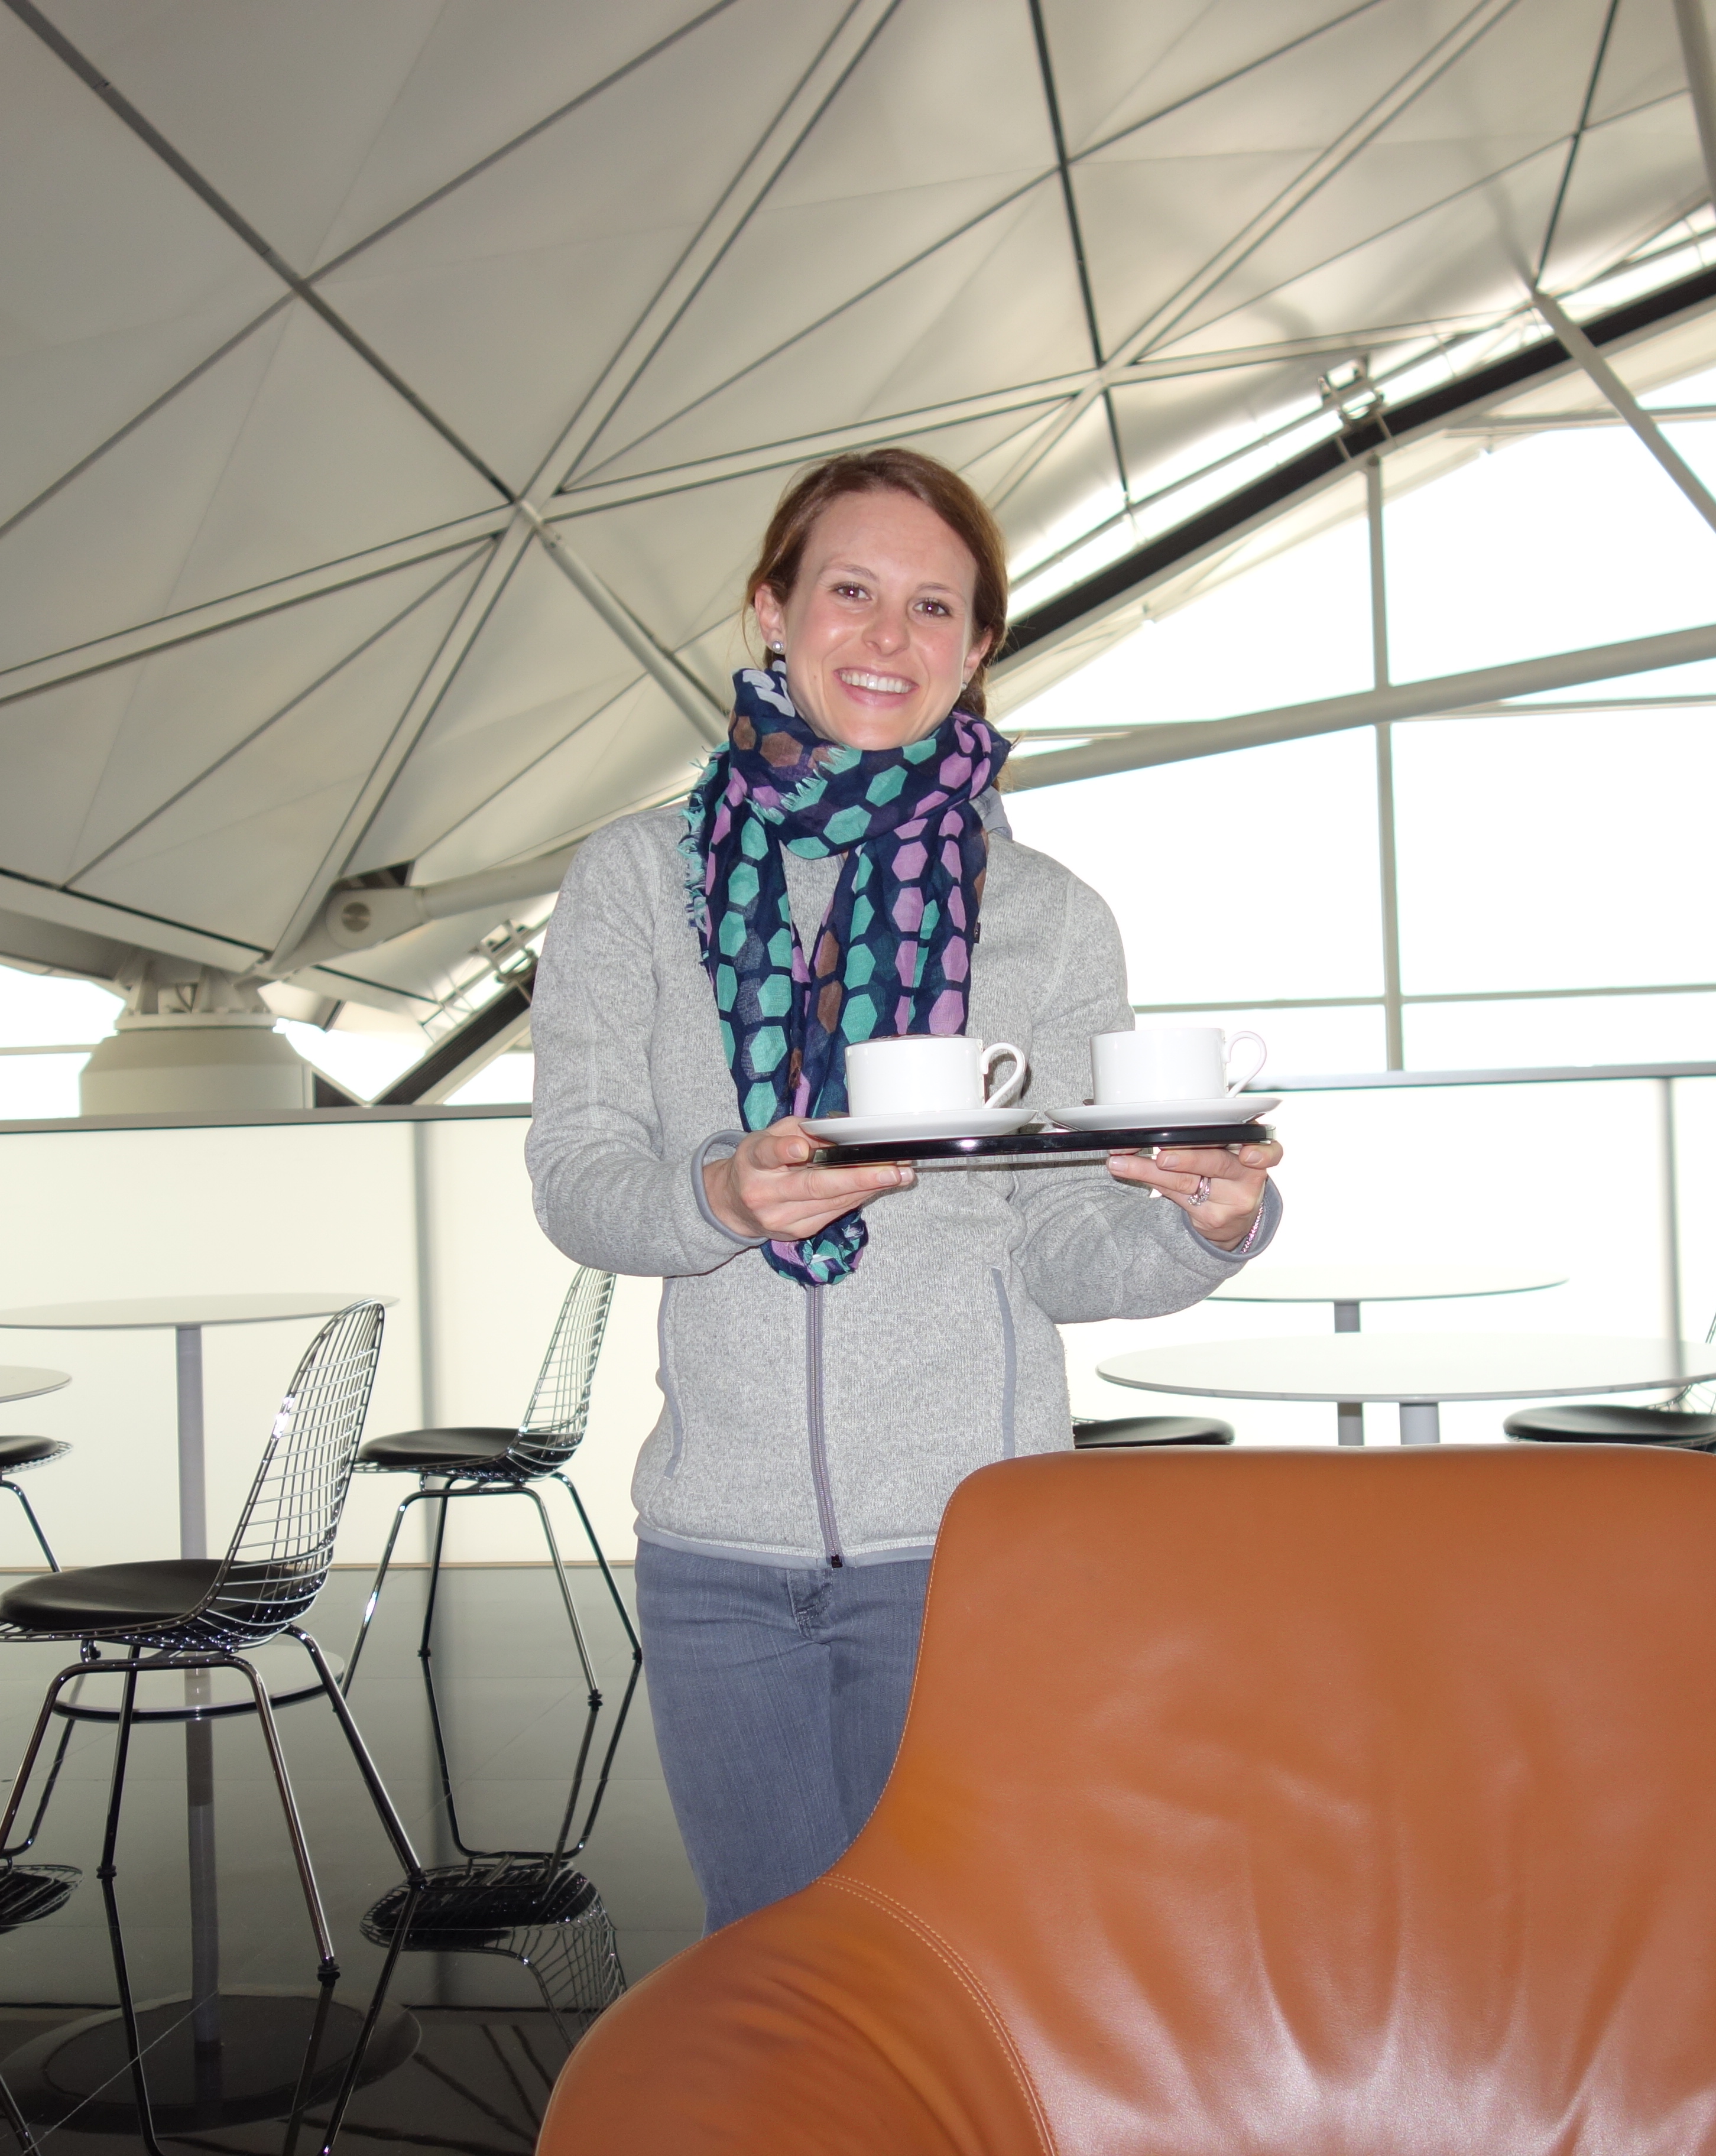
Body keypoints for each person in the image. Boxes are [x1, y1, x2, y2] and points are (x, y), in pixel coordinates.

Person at [525, 447, 1283, 1932]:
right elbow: (578, 1180)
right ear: (773, 611)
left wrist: (1206, 1229)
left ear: (979, 645)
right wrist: (721, 1200)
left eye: (934, 606)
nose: (889, 637)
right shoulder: (636, 882)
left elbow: (1060, 1244)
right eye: (851, 592)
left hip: (973, 1549)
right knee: (779, 1979)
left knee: (967, 1967)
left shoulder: (1048, 916)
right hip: (718, 1559)